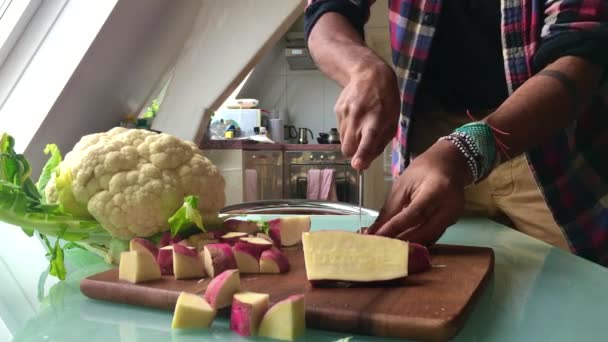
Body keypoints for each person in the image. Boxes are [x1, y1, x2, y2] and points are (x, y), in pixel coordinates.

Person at [304, 0, 608, 265]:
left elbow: (581, 51)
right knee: (426, 291)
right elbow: (325, 8)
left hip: (545, 138)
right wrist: (363, 68)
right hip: (431, 148)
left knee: (585, 290)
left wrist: (467, 150)